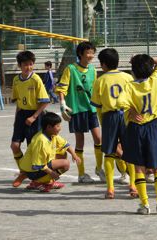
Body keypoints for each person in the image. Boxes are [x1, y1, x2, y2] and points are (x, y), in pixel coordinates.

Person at [117, 54, 157, 214]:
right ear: (151, 69)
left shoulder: (130, 86)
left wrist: (130, 109)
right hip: (152, 126)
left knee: (139, 167)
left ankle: (144, 205)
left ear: (133, 71)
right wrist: (145, 58)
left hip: (135, 128)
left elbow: (119, 102)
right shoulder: (156, 79)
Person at [55, 41, 105, 183]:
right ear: (80, 54)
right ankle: (81, 174)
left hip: (91, 109)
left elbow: (95, 89)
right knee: (80, 142)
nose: (91, 55)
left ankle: (99, 168)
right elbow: (62, 88)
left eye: (92, 52)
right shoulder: (70, 69)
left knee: (98, 138)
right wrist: (63, 104)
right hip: (77, 110)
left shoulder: (93, 70)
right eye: (88, 52)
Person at [91, 48, 137, 199]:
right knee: (130, 151)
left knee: (109, 153)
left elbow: (97, 105)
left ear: (103, 64)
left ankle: (110, 188)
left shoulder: (100, 80)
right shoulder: (127, 77)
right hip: (125, 115)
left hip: (109, 116)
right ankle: (133, 185)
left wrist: (104, 122)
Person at [10, 50, 50, 188]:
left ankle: (35, 177)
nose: (29, 67)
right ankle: (24, 171)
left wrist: (33, 117)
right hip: (22, 116)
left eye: (31, 64)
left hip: (36, 115)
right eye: (26, 64)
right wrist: (16, 120)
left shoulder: (36, 79)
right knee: (15, 146)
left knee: (33, 149)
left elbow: (45, 101)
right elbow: (18, 102)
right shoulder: (16, 80)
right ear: (20, 65)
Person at [19, 112, 81, 192]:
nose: (60, 128)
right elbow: (38, 164)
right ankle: (38, 183)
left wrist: (74, 155)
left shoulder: (51, 134)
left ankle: (46, 182)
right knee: (66, 164)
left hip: (40, 165)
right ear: (49, 127)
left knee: (63, 154)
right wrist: (52, 173)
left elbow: (65, 145)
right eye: (58, 126)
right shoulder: (41, 141)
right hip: (32, 170)